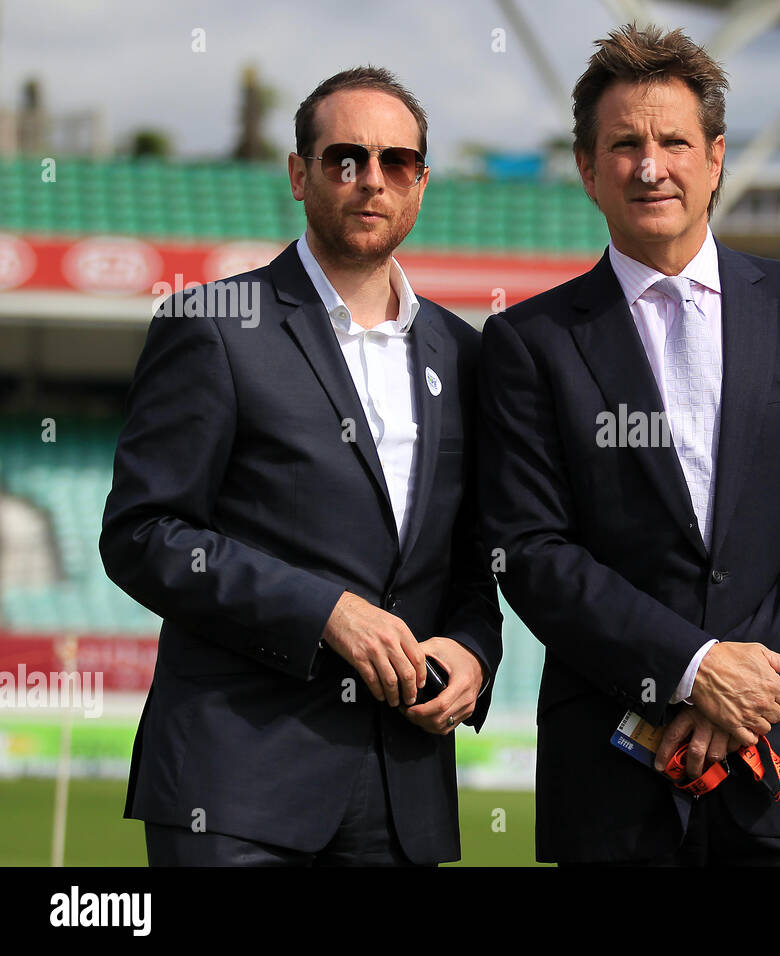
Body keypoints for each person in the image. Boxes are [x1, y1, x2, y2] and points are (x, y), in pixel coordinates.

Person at [478, 24, 780, 866]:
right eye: (624, 144)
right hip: (617, 774)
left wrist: (746, 692)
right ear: (588, 169)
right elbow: (531, 550)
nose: (650, 165)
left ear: (716, 157)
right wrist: (693, 668)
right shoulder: (529, 341)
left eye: (673, 141)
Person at [100, 67, 502, 866]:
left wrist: (473, 652)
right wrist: (323, 611)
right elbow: (142, 533)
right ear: (299, 173)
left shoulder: (465, 355)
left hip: (404, 795)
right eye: (345, 158)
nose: (371, 180)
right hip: (236, 784)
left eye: (399, 162)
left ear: (421, 185)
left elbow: (470, 562)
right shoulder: (212, 326)